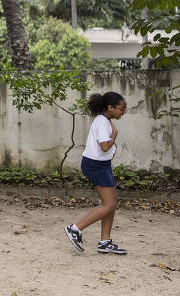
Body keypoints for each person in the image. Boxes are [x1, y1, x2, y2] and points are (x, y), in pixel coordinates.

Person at [64, 92, 128, 255]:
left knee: (110, 203)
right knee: (110, 204)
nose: (124, 112)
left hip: (102, 164)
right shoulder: (102, 122)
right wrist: (114, 136)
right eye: (122, 108)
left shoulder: (106, 121)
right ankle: (75, 229)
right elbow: (105, 147)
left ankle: (105, 242)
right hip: (95, 166)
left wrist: (112, 138)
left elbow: (107, 151)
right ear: (110, 108)